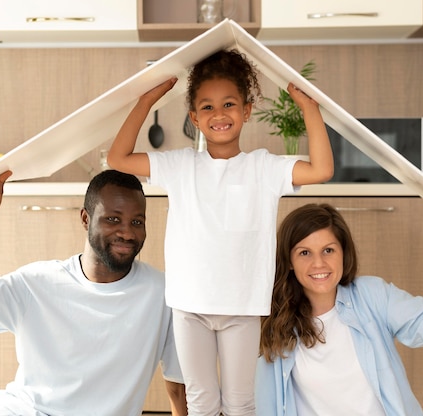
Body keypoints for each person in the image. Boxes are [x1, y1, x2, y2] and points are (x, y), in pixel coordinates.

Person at [107, 49, 334, 415]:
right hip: (189, 305)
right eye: (207, 108)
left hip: (241, 307)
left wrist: (310, 109)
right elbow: (118, 159)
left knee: (240, 401)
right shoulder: (180, 165)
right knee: (201, 399)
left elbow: (321, 169)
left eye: (229, 104)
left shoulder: (264, 167)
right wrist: (147, 101)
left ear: (246, 110)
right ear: (194, 118)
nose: (219, 115)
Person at [0, 170, 187, 416]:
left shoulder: (163, 293)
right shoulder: (38, 283)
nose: (127, 232)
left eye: (137, 221)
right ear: (86, 219)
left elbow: (178, 385)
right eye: (113, 219)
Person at [255, 202, 423, 416]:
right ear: (289, 262)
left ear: (343, 252)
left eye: (328, 250)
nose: (319, 264)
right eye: (304, 253)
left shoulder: (371, 296)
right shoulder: (273, 320)